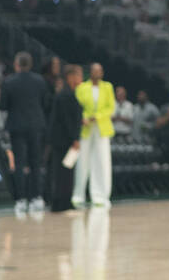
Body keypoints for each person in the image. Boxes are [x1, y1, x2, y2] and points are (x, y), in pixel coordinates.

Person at [1, 50, 51, 216]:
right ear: (30, 65)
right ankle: (37, 197)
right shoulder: (40, 81)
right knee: (36, 163)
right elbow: (45, 102)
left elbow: (2, 106)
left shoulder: (9, 81)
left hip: (17, 127)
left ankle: (21, 199)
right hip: (36, 125)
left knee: (20, 164)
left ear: (16, 64)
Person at [74, 61, 118, 208]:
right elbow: (77, 106)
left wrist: (97, 117)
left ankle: (100, 196)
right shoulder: (82, 88)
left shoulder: (107, 87)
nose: (97, 73)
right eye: (94, 70)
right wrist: (84, 117)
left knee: (102, 162)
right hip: (85, 128)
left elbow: (110, 107)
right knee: (82, 162)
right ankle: (78, 195)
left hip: (101, 128)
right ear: (90, 72)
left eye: (99, 70)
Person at [46, 66, 85, 213]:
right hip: (63, 140)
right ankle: (60, 203)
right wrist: (74, 138)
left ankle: (65, 201)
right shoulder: (65, 95)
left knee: (66, 172)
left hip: (63, 139)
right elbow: (67, 120)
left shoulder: (69, 94)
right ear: (71, 77)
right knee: (62, 172)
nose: (81, 79)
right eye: (79, 75)